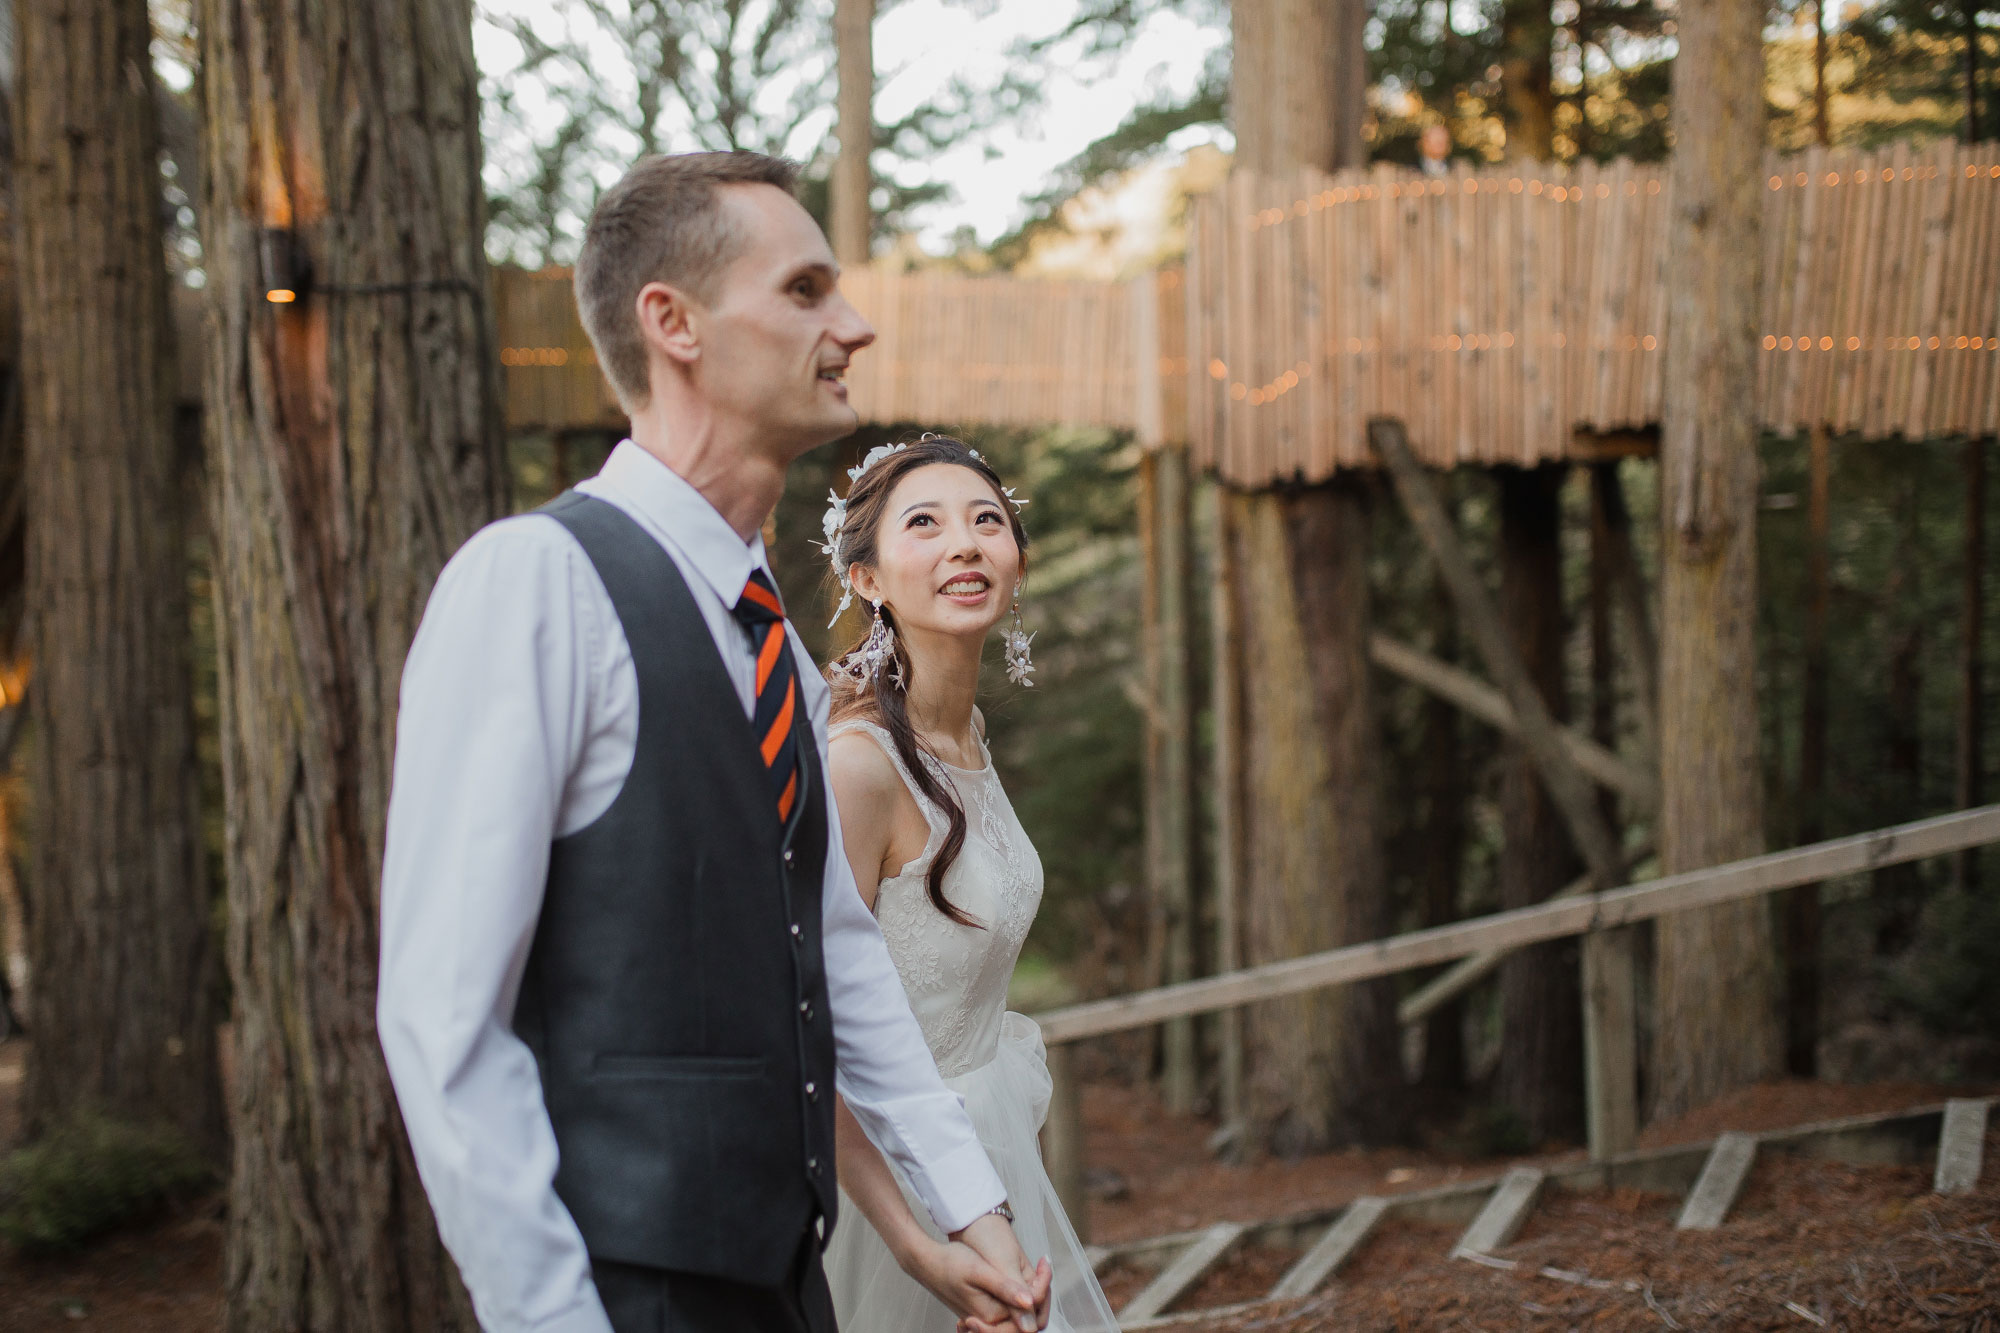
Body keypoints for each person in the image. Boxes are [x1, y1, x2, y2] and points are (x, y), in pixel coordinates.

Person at [376, 152, 1052, 1333]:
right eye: (803, 291)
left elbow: (839, 955)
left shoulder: (777, 652)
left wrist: (970, 1217)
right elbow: (441, 1025)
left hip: (783, 1286)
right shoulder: (535, 584)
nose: (853, 324)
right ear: (671, 323)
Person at [816, 434, 1120, 1333]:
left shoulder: (967, 734)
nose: (965, 543)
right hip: (885, 1188)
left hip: (993, 1153)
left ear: (1015, 562)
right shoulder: (858, 768)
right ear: (868, 578)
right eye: (926, 524)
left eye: (988, 520)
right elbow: (806, 1025)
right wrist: (920, 1236)